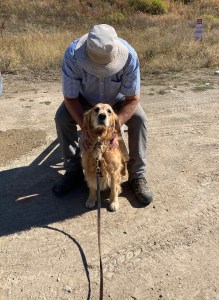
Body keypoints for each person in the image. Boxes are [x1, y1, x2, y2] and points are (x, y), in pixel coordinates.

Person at [53, 24, 153, 204]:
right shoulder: (72, 56)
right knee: (62, 118)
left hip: (119, 100)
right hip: (84, 100)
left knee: (139, 119)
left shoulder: (130, 56)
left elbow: (133, 98)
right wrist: (85, 128)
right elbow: (70, 98)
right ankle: (73, 171)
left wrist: (115, 127)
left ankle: (136, 176)